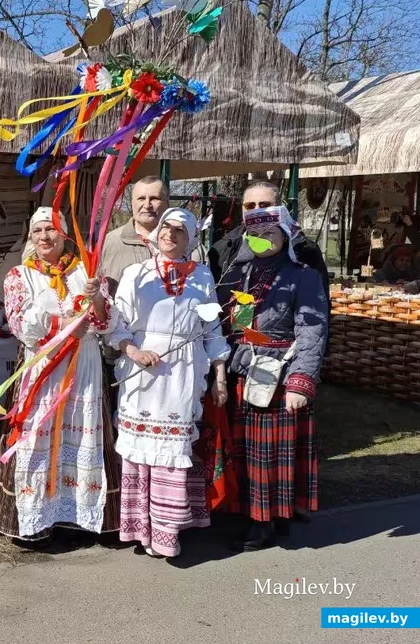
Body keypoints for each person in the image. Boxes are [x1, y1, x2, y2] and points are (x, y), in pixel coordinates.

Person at [108, 208, 230, 559]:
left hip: (182, 372)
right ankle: (139, 528)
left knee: (173, 452)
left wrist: (219, 374)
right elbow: (117, 323)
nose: (170, 235)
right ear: (157, 232)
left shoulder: (203, 276)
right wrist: (132, 351)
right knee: (140, 450)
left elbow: (212, 329)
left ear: (189, 237)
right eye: (166, 228)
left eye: (180, 230)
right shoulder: (137, 273)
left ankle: (167, 530)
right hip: (143, 372)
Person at [0, 207, 119, 545]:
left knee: (82, 433)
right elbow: (20, 324)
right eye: (38, 232)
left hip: (84, 367)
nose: (45, 237)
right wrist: (66, 326)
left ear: (64, 235)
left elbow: (108, 325)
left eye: (51, 230)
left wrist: (95, 302)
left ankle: (78, 515)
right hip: (42, 367)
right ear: (31, 238)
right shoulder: (19, 275)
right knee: (39, 435)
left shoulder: (88, 272)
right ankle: (36, 518)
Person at [217, 205, 328, 551]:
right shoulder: (239, 274)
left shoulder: (303, 275)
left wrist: (300, 382)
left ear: (284, 235)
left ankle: (265, 523)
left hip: (280, 377)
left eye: (270, 233)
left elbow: (312, 331)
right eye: (256, 235)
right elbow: (230, 323)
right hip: (244, 371)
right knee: (249, 452)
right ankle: (259, 516)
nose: (263, 240)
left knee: (270, 455)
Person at [208, 181, 330, 297]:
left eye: (265, 205)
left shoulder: (304, 249)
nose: (257, 210)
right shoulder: (223, 249)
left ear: (279, 208)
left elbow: (319, 301)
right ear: (242, 209)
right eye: (250, 206)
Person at [100, 176, 169, 294]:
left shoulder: (187, 244)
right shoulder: (108, 243)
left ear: (167, 203)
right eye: (141, 198)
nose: (147, 205)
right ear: (132, 203)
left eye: (154, 198)